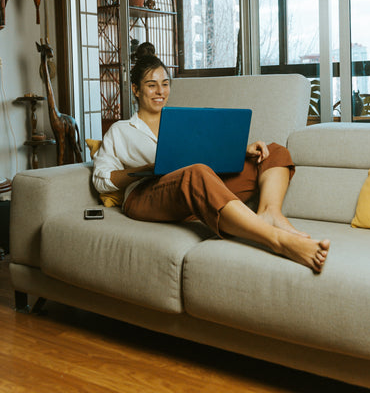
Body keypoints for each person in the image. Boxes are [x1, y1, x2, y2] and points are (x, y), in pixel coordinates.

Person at [93, 43, 330, 273]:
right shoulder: (121, 130)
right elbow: (102, 180)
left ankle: (270, 213)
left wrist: (242, 150)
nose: (160, 92)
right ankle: (277, 240)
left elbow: (205, 156)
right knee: (195, 173)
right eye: (151, 85)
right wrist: (148, 167)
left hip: (192, 190)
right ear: (136, 89)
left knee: (272, 151)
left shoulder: (182, 122)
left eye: (165, 84)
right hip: (144, 196)